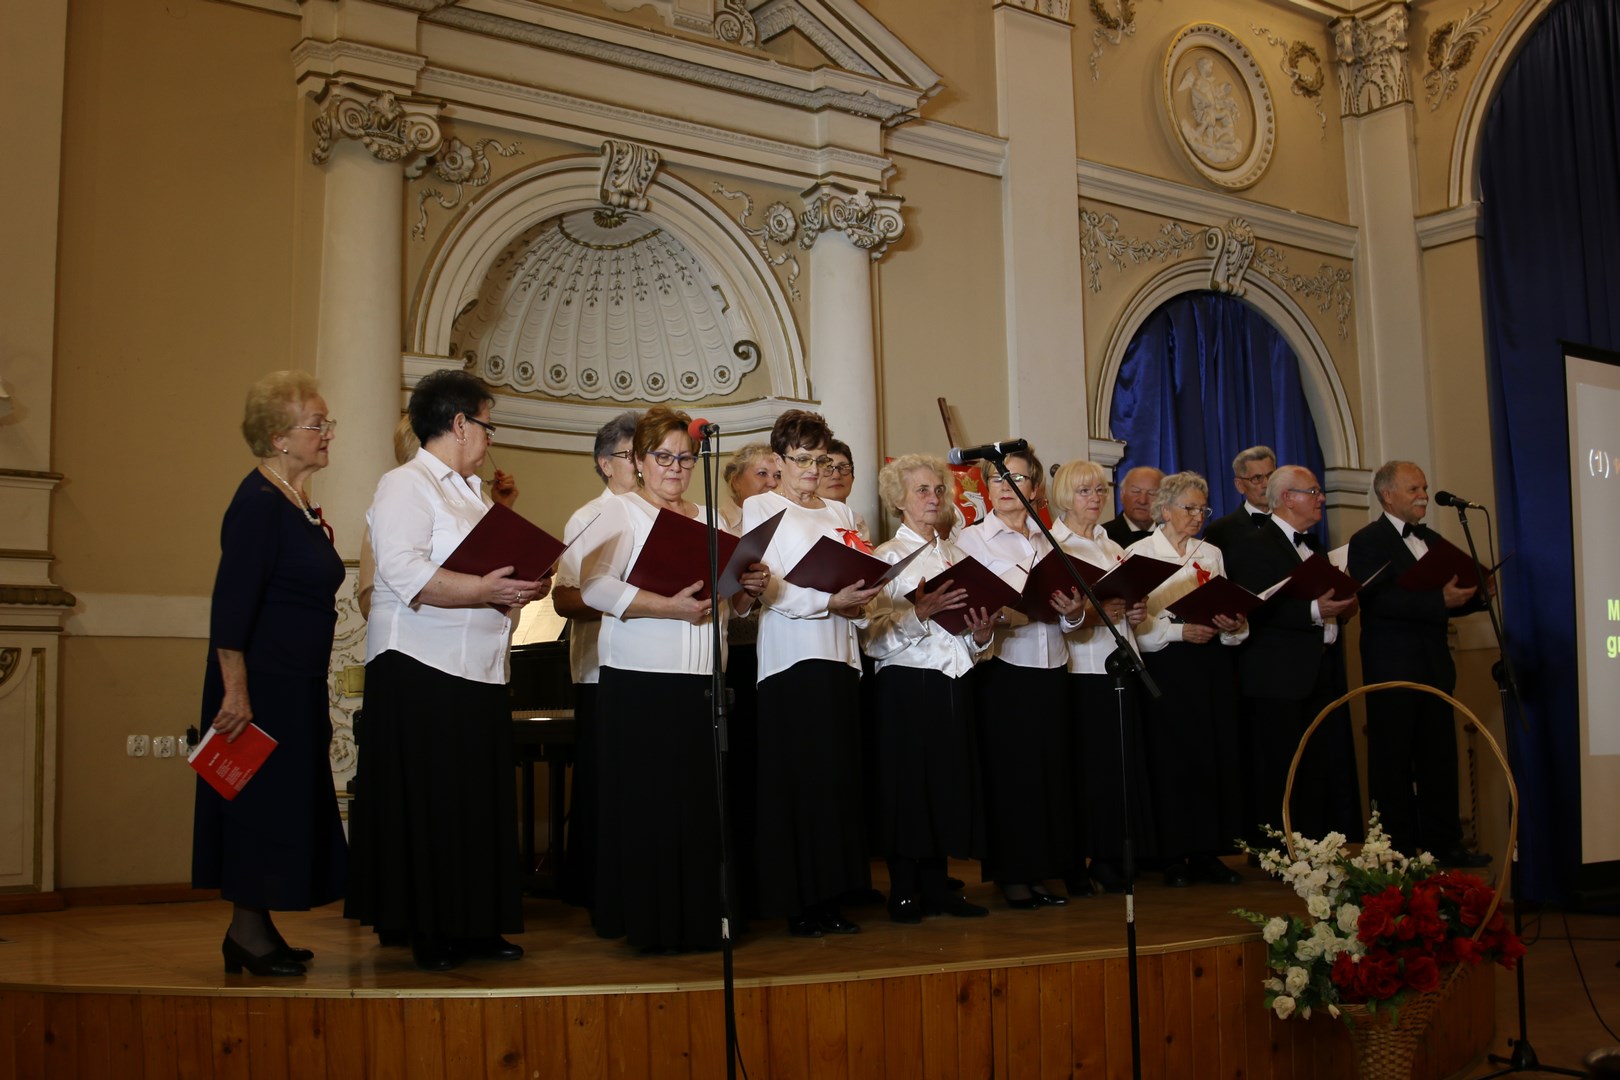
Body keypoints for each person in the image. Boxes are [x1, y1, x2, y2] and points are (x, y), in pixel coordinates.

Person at [345, 369, 551, 972]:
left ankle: (476, 923)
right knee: (432, 803)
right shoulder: (404, 484)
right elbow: (403, 570)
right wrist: (486, 588)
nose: (490, 438)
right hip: (420, 665)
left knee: (475, 802)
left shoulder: (474, 495)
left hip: (477, 668)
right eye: (487, 425)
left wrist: (523, 584)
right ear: (459, 424)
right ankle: (430, 927)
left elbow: (487, 571)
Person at [579, 406, 768, 952]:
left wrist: (748, 588)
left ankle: (704, 919)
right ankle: (654, 923)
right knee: (652, 806)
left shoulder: (714, 518)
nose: (676, 468)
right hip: (642, 681)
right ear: (639, 460)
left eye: (686, 458)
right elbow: (593, 587)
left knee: (701, 805)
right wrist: (666, 606)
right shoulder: (619, 512)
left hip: (703, 679)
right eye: (663, 457)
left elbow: (732, 603)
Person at [192, 370, 346, 977]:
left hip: (294, 682)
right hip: (259, 688)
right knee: (258, 806)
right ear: (279, 437)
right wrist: (236, 691)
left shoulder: (293, 502)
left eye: (327, 423)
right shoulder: (257, 503)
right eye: (317, 424)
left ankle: (257, 929)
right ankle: (246, 935)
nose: (327, 433)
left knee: (282, 805)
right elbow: (231, 605)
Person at [743, 409, 882, 937]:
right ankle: (799, 900)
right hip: (793, 658)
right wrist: (830, 601)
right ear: (779, 460)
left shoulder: (840, 512)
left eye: (820, 460)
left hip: (841, 655)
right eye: (801, 459)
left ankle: (834, 894)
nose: (811, 469)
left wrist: (861, 598)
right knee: (800, 780)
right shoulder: (762, 506)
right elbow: (769, 587)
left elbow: (858, 583)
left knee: (837, 780)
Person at [863, 454, 995, 922]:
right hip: (906, 682)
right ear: (898, 499)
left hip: (953, 682)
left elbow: (968, 640)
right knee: (908, 789)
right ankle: (902, 890)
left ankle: (938, 887)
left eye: (938, 489)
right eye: (922, 490)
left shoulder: (958, 556)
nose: (934, 498)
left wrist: (982, 635)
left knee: (944, 784)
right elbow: (871, 639)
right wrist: (918, 614)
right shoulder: (885, 557)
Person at [1346, 461, 1491, 866]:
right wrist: (1438, 600)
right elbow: (1378, 599)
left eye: (1425, 487)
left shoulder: (1432, 539)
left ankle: (1445, 845)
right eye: (1414, 489)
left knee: (1439, 758)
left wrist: (1478, 594)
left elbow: (1446, 601)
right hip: (1391, 668)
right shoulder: (1368, 540)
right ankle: (1394, 849)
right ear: (1387, 494)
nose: (1424, 495)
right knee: (1392, 760)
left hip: (1434, 667)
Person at [953, 447, 1074, 909]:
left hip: (1052, 664)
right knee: (1011, 776)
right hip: (1004, 667)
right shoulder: (972, 540)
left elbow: (1070, 616)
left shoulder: (1049, 539)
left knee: (1048, 772)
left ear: (1035, 488)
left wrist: (1073, 611)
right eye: (997, 479)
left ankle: (1041, 872)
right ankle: (1012, 875)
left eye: (1016, 479)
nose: (1005, 487)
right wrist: (1009, 613)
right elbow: (971, 606)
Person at [1223, 466, 1361, 845]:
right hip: (1276, 677)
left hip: (1319, 670)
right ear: (1287, 498)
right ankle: (1277, 850)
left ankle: (1313, 847)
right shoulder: (1253, 545)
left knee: (1316, 766)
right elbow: (1256, 608)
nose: (1322, 498)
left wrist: (1343, 608)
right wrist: (1316, 610)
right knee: (1278, 768)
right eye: (1313, 491)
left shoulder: (1313, 547)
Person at [1128, 471, 1248, 887]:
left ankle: (1206, 852)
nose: (1198, 516)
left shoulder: (1210, 552)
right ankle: (1170, 855)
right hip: (1165, 666)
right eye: (1190, 508)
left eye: (1203, 509)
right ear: (1164, 510)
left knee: (1210, 755)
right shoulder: (1140, 552)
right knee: (1170, 759)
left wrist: (1233, 624)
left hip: (1209, 664)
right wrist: (1181, 631)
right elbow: (1134, 625)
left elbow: (1226, 607)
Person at [1046, 460, 1153, 895]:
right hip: (1083, 667)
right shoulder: (1055, 545)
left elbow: (1126, 606)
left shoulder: (1112, 544)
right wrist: (1094, 611)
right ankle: (1082, 859)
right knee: (1087, 770)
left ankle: (1113, 855)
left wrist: (1136, 611)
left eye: (1099, 490)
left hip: (1121, 663)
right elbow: (1056, 615)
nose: (1095, 498)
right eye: (1084, 491)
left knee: (1118, 768)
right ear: (1064, 496)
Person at [550, 410, 641, 908]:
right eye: (631, 456)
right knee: (602, 780)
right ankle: (595, 884)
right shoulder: (589, 517)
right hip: (599, 669)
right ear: (605, 464)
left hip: (654, 665)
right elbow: (565, 599)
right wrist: (632, 596)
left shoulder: (665, 514)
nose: (642, 465)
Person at [357, 416, 518, 619]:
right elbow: (370, 598)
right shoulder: (397, 500)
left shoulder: (474, 499)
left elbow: (491, 558)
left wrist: (502, 508)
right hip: (423, 633)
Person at [717, 442, 782, 919]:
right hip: (737, 657)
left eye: (777, 475)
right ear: (734, 480)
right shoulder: (723, 526)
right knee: (739, 766)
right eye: (761, 474)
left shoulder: (788, 523)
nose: (771, 483)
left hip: (776, 657)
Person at [1204, 446, 1276, 555]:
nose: (1267, 484)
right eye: (1257, 478)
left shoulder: (1294, 521)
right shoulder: (1218, 532)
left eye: (1271, 475)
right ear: (1239, 485)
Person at [817, 438, 870, 546]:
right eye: (827, 468)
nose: (836, 476)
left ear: (853, 478)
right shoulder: (806, 520)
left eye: (843, 467)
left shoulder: (858, 520)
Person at [1103, 465, 1162, 547]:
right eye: (1136, 491)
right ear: (1122, 495)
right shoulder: (1102, 537)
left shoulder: (1171, 538)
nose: (1142, 501)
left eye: (1151, 493)